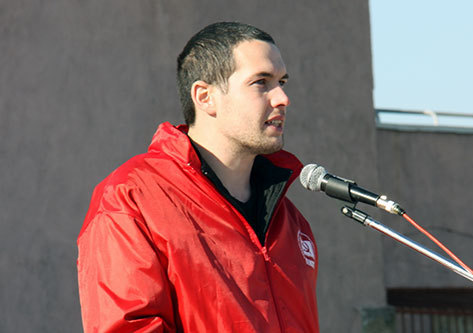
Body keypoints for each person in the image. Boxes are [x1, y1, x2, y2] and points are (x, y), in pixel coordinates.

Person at [77, 21, 319, 332]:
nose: (282, 98)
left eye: (282, 82)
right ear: (205, 97)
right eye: (261, 82)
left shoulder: (290, 222)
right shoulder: (132, 196)